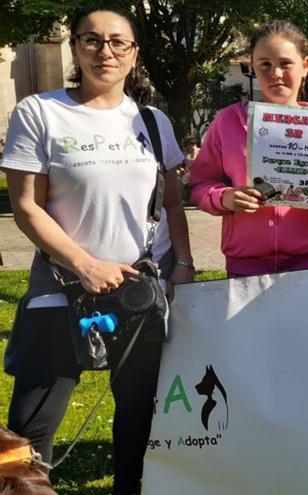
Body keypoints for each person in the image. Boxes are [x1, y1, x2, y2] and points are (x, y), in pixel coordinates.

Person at [1, 7, 193, 494]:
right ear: (75, 48)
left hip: (139, 294)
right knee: (28, 428)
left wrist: (185, 264)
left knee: (137, 419)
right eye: (91, 40)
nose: (104, 51)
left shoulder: (153, 121)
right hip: (63, 287)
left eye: (117, 42)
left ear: (133, 54)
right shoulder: (40, 111)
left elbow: (172, 205)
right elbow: (26, 207)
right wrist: (83, 264)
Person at [189, 21, 308, 277]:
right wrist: (225, 198)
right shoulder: (228, 121)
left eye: (286, 63)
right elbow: (199, 185)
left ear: (305, 65)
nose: (275, 73)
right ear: (252, 67)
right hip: (246, 267)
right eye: (265, 64)